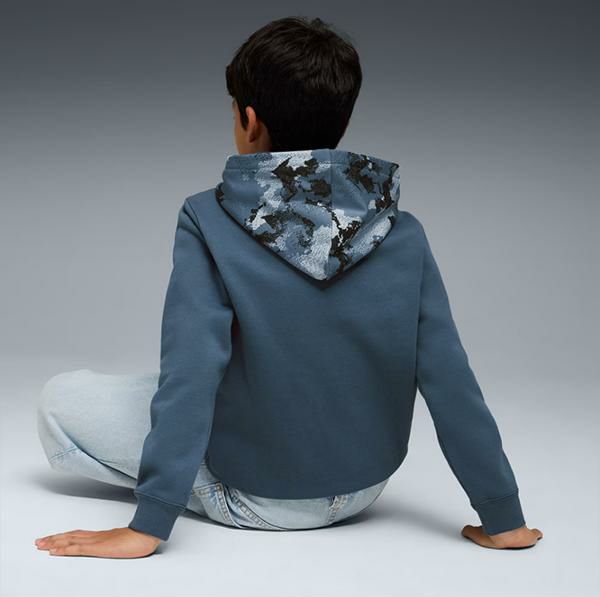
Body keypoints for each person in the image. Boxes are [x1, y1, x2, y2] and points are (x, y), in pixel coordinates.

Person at [34, 16, 542, 559]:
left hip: (255, 497)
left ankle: (189, 491)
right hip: (363, 489)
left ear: (249, 120)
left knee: (63, 399)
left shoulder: (207, 217)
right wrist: (503, 516)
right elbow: (450, 380)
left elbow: (192, 369)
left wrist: (149, 524)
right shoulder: (402, 230)